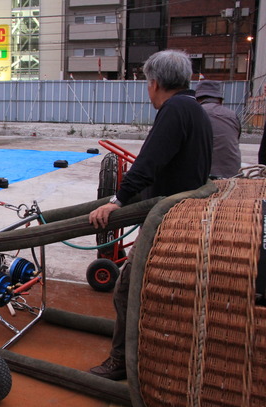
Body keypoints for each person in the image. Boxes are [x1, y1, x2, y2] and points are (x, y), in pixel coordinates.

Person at [87, 50, 212, 381]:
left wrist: (117, 200)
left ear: (154, 83)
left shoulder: (174, 110)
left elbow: (148, 162)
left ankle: (122, 362)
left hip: (167, 219)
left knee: (127, 290)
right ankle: (146, 353)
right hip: (185, 216)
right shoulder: (196, 109)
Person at [195, 80, 241, 178]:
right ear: (220, 100)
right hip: (234, 175)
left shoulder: (194, 113)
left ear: (197, 99)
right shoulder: (232, 115)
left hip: (205, 179)